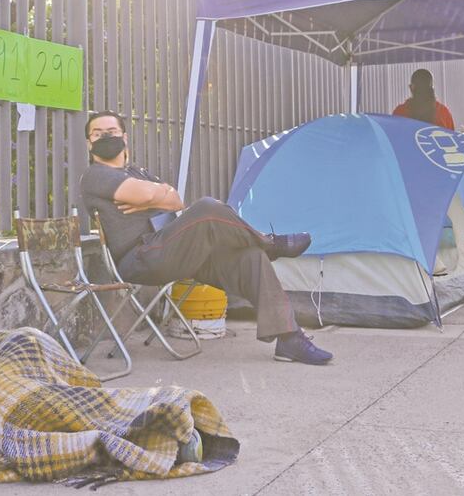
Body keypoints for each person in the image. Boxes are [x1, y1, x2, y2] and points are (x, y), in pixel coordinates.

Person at [80, 110, 332, 364]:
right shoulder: (95, 175)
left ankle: (289, 339)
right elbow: (149, 196)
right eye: (97, 134)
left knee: (251, 258)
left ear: (124, 136)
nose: (105, 137)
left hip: (172, 249)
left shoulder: (138, 172)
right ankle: (271, 243)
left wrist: (155, 194)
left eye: (111, 132)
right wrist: (154, 196)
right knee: (207, 208)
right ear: (90, 143)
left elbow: (175, 198)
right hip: (140, 258)